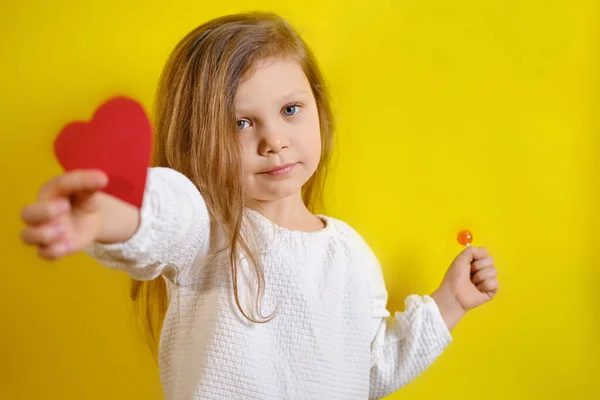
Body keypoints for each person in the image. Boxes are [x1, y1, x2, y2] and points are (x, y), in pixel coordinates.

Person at [20, 11, 499, 400]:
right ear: (198, 141)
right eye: (241, 124)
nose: (274, 141)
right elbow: (165, 215)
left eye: (290, 110)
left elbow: (369, 372)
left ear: (318, 109)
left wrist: (450, 302)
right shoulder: (209, 230)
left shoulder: (351, 255)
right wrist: (108, 214)